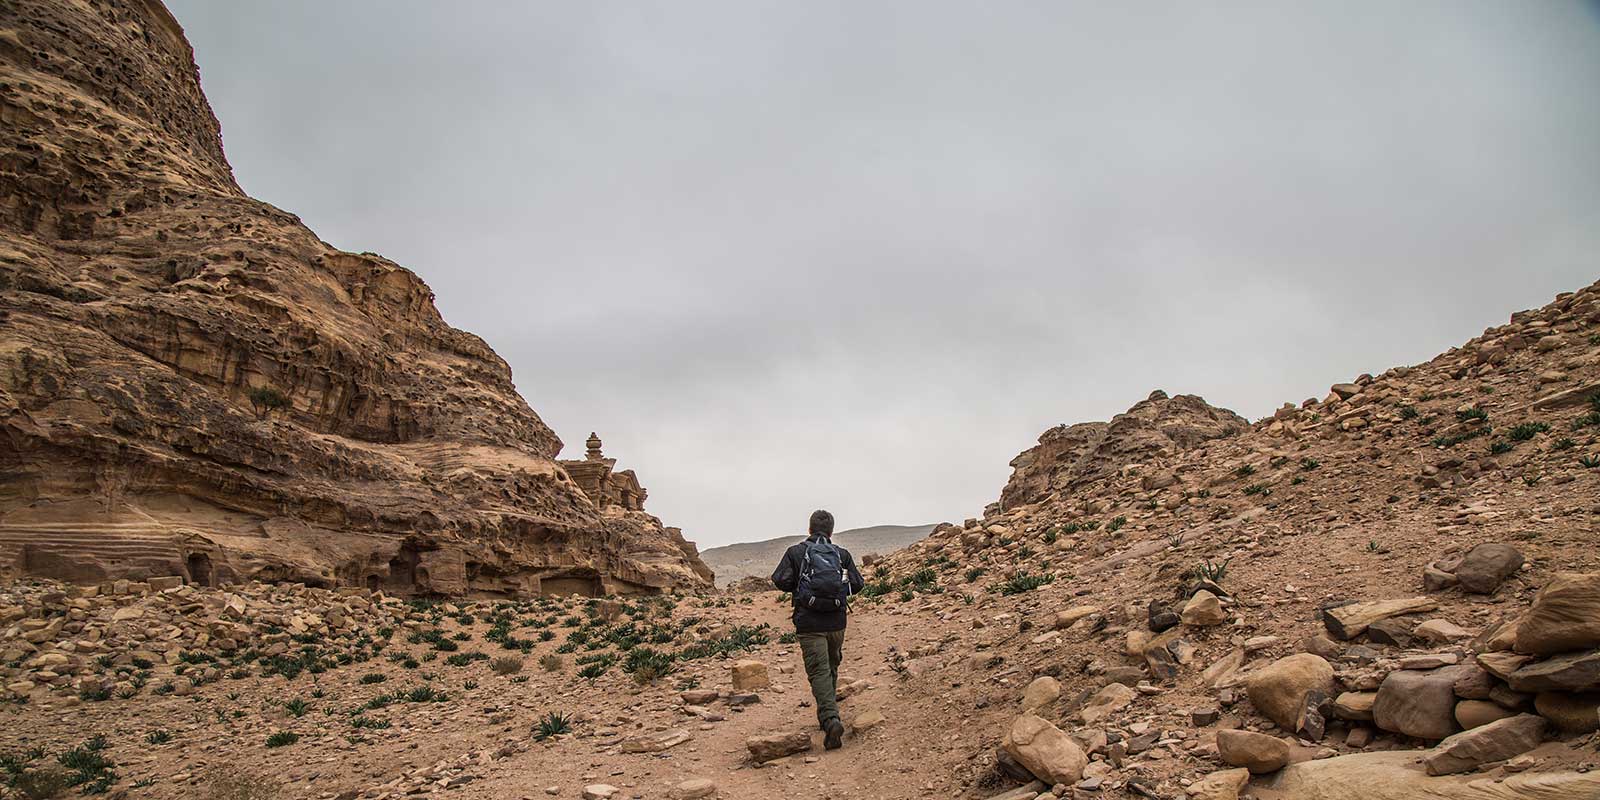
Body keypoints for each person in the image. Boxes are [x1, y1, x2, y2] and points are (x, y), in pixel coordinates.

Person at [770, 509, 865, 750]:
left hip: (809, 621)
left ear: (809, 528)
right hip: (836, 621)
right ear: (832, 530)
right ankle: (829, 714)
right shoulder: (841, 555)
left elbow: (780, 579)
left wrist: (800, 586)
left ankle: (830, 719)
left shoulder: (796, 552)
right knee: (831, 666)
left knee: (819, 671)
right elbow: (858, 584)